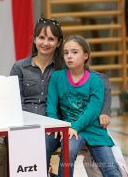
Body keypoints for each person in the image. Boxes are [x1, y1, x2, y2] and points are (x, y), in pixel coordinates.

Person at [0, 18, 126, 177]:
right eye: (41, 38)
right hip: (27, 125)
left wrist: (105, 111)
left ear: (58, 43)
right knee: (14, 153)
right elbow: (14, 101)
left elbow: (101, 80)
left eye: (51, 39)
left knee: (105, 152)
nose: (45, 43)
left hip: (58, 126)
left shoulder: (65, 66)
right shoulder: (19, 67)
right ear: (34, 39)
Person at [46, 35, 121, 177]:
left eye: (74, 52)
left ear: (86, 55)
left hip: (93, 129)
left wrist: (76, 126)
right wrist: (55, 124)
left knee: (110, 170)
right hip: (71, 130)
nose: (69, 56)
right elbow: (51, 105)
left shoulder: (96, 81)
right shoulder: (56, 78)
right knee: (68, 151)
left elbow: (93, 110)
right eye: (66, 53)